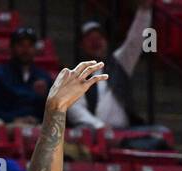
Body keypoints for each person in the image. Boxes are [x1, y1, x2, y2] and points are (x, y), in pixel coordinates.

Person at [67, 0, 159, 140]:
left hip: (124, 134)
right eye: (90, 40)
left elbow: (134, 41)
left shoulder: (120, 63)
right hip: (92, 134)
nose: (96, 43)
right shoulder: (75, 75)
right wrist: (99, 126)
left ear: (106, 41)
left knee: (159, 134)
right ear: (81, 46)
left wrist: (144, 11)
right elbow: (74, 108)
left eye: (99, 38)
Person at [0, 27, 54, 125]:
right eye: (21, 45)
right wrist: (12, 119)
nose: (26, 50)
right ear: (12, 47)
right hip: (6, 124)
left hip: (36, 126)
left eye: (30, 46)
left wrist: (45, 97)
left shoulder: (43, 76)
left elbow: (52, 112)